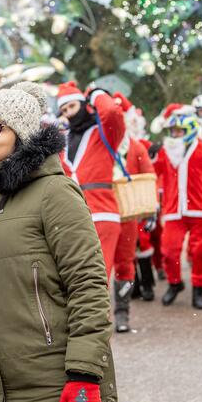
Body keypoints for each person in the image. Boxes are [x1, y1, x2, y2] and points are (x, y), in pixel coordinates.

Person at [0, 81, 120, 402]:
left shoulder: (53, 192)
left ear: (21, 134)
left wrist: (85, 374)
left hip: (52, 387)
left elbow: (88, 285)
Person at [152, 111, 202, 309]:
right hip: (175, 209)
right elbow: (153, 171)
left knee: (200, 251)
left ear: (190, 131)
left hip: (200, 209)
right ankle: (175, 283)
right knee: (168, 250)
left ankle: (198, 290)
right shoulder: (165, 152)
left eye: (179, 131)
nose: (174, 135)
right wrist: (150, 155)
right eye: (173, 131)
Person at [57, 81, 126, 281]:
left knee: (96, 281)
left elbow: (112, 111)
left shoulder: (104, 132)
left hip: (102, 214)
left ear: (83, 104)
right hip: (69, 218)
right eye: (64, 109)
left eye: (72, 106)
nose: (68, 112)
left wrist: (95, 94)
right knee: (72, 282)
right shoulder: (62, 140)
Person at [111, 92, 155, 332]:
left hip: (127, 215)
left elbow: (149, 177)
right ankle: (94, 316)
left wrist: (150, 211)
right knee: (96, 265)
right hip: (100, 214)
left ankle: (122, 313)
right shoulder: (98, 146)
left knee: (125, 263)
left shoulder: (136, 148)